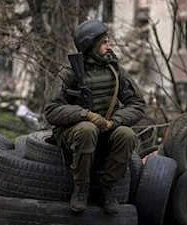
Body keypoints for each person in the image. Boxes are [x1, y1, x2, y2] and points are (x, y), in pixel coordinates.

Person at [43, 19, 146, 214]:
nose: (110, 46)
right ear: (92, 46)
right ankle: (81, 188)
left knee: (126, 134)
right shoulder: (70, 73)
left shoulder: (115, 71)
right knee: (87, 129)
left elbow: (137, 104)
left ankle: (108, 188)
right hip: (75, 132)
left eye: (109, 41)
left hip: (106, 129)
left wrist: (116, 121)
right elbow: (52, 110)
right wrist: (86, 114)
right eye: (104, 42)